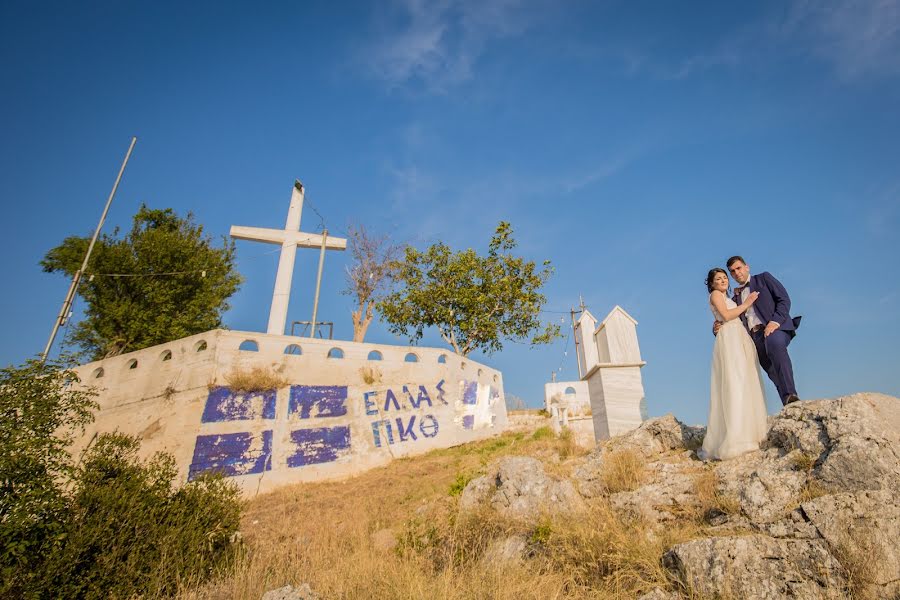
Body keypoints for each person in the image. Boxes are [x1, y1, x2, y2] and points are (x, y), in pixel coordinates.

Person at [701, 268, 769, 460]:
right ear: (712, 283)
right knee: (735, 381)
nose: (722, 280)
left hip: (737, 335)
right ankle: (736, 437)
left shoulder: (727, 296)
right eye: (718, 279)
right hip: (729, 338)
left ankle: (750, 431)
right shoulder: (715, 295)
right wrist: (747, 304)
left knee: (745, 381)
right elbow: (726, 315)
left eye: (724, 278)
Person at [714, 256, 801, 406]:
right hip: (753, 337)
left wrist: (774, 322)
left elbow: (784, 299)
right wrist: (717, 326)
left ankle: (791, 394)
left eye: (738, 268)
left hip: (776, 327)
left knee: (775, 345)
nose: (736, 273)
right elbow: (730, 316)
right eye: (732, 271)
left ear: (747, 267)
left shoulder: (764, 278)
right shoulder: (735, 297)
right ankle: (789, 403)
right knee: (771, 370)